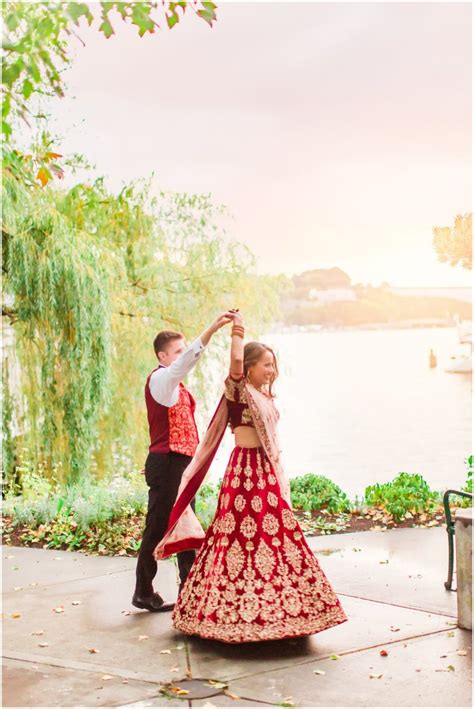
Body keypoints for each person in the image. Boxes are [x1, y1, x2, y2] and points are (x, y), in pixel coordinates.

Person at [154, 310, 348, 642]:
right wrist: (236, 332)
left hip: (266, 473)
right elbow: (234, 364)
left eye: (273, 364)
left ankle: (285, 611)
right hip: (243, 475)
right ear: (249, 367)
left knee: (276, 539)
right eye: (265, 364)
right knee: (237, 543)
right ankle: (229, 616)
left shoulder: (265, 395)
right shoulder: (239, 389)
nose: (271, 370)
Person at [132, 312, 233, 613]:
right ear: (163, 357)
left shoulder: (176, 387)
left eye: (182, 349)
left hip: (178, 465)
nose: (182, 356)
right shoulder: (162, 379)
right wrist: (212, 328)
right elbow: (186, 361)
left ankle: (188, 589)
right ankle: (144, 591)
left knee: (184, 525)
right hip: (168, 464)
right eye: (177, 351)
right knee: (158, 527)